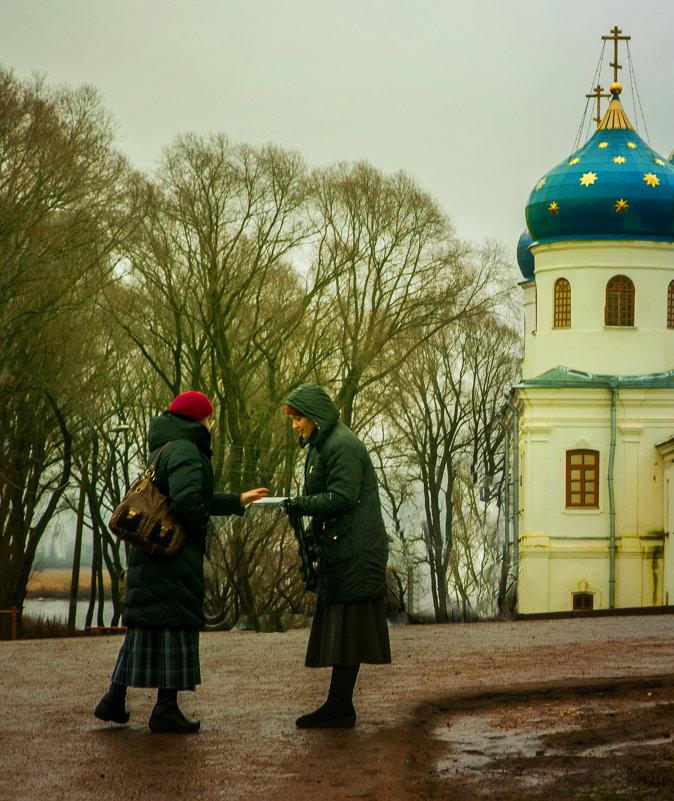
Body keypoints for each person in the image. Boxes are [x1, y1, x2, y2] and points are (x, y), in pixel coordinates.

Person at [94, 391, 268, 733]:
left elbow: (187, 497)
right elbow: (189, 502)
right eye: (209, 418)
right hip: (172, 557)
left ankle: (113, 699)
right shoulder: (188, 449)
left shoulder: (166, 446)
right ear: (198, 419)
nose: (211, 424)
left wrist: (237, 500)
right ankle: (166, 709)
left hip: (152, 554)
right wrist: (203, 533)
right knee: (175, 626)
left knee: (145, 628)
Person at [282, 383, 391, 728]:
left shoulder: (341, 445)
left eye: (298, 419)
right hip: (341, 546)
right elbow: (330, 500)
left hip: (356, 550)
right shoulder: (320, 445)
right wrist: (313, 534)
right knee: (344, 629)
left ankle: (340, 706)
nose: (295, 425)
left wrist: (300, 506)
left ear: (313, 416)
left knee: (348, 628)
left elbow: (342, 497)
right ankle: (339, 704)